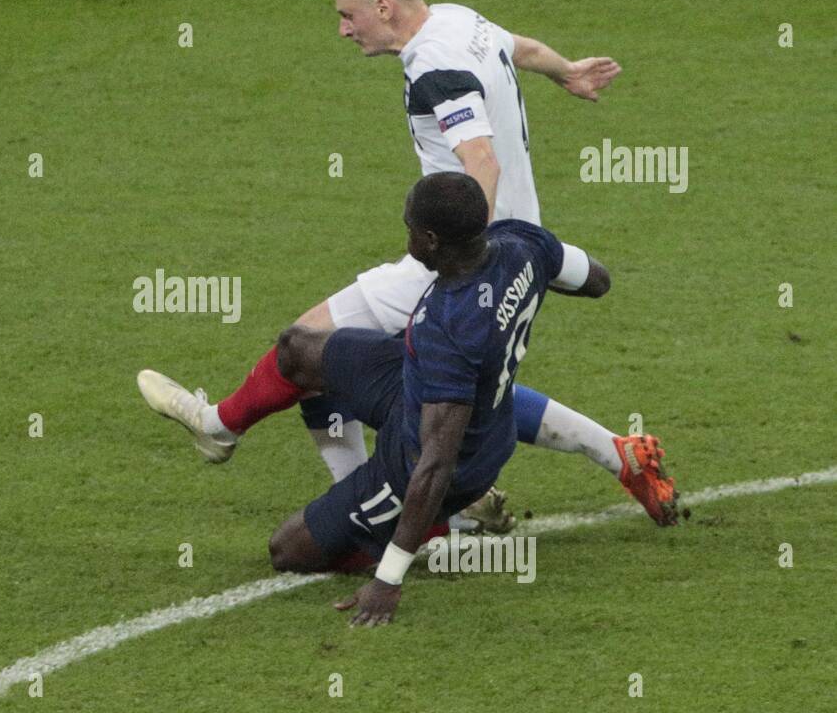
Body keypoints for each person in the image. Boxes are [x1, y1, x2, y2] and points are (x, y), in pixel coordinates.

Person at [138, 0, 674, 523]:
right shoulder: (459, 19)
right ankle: (617, 454)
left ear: (386, 6)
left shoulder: (434, 68)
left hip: (461, 258)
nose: (344, 30)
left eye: (348, 15)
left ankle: (229, 432)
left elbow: (482, 163)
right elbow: (522, 48)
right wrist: (567, 71)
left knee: (308, 352)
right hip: (525, 245)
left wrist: (470, 268)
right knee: (457, 391)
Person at [266, 173, 668, 626]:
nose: (406, 233)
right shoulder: (519, 242)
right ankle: (220, 424)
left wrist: (388, 579)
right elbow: (598, 281)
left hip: (435, 459)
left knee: (287, 550)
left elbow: (436, 462)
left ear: (432, 240)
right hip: (410, 385)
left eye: (410, 227)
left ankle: (420, 530)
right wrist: (524, 285)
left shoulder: (451, 326)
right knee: (297, 348)